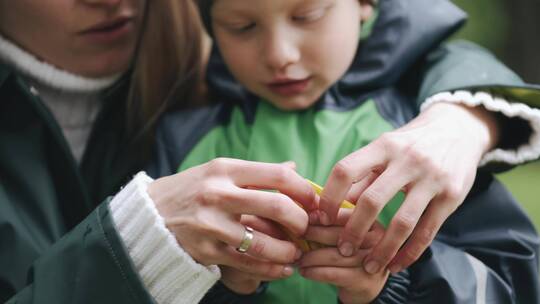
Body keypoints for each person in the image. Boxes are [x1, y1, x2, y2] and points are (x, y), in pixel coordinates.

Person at [0, 0, 538, 303]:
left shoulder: (422, 120)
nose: (280, 56)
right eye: (243, 27)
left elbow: (515, 277)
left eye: (307, 16)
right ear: (213, 27)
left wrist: (469, 114)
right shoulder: (180, 134)